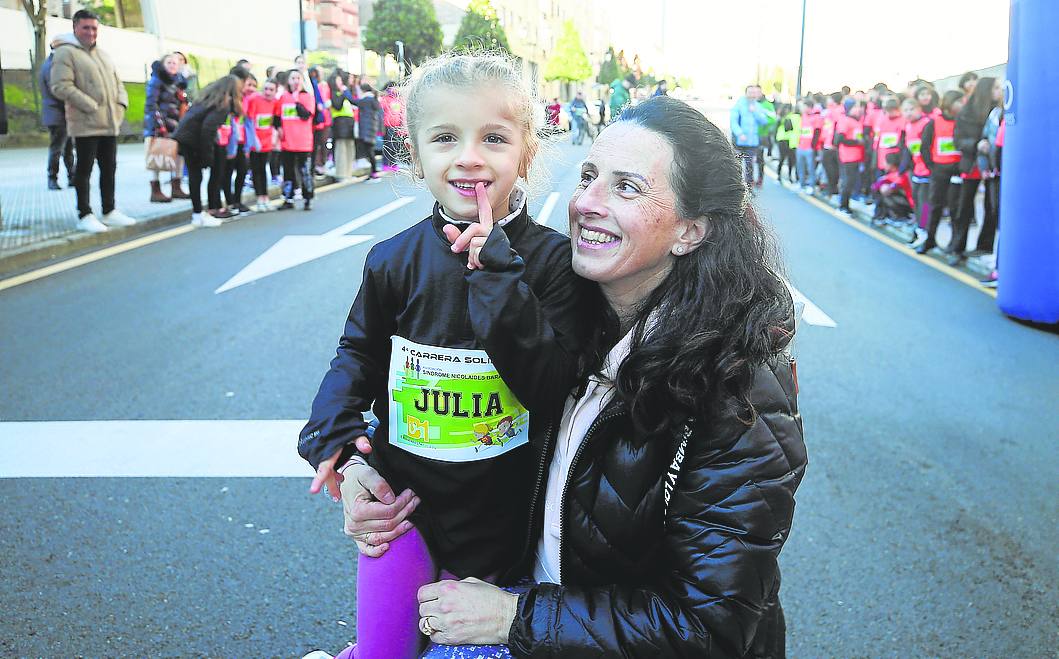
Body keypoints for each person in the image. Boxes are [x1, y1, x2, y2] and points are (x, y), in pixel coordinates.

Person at [338, 95, 805, 658]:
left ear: (691, 231)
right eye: (588, 176)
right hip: (512, 595)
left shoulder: (740, 390)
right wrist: (366, 472)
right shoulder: (552, 306)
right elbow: (439, 403)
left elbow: (707, 627)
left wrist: (514, 615)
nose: (586, 203)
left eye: (626, 187)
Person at [298, 51, 583, 659]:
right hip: (406, 511)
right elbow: (355, 359)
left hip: (505, 526)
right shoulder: (391, 261)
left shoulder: (556, 263)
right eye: (446, 137)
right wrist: (340, 448)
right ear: (416, 153)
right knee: (384, 652)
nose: (469, 156)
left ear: (525, 151)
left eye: (494, 138)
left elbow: (553, 383)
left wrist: (500, 277)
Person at [49, 9, 134, 234]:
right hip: (85, 123)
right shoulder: (65, 53)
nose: (90, 32)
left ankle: (109, 210)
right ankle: (84, 214)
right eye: (85, 27)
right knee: (84, 170)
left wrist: (121, 106)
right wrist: (90, 105)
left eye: (94, 28)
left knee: (109, 168)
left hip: (109, 123)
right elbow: (60, 86)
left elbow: (119, 84)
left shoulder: (104, 55)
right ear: (75, 27)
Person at [172, 75, 242, 228]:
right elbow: (208, 129)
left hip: (185, 137)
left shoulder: (206, 99)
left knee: (194, 176)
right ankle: (197, 216)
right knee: (196, 176)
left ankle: (197, 214)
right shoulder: (223, 104)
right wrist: (207, 156)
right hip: (193, 140)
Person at [947, 77, 997, 266]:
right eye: (996, 88)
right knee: (964, 208)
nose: (999, 91)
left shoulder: (999, 110)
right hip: (971, 165)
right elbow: (958, 140)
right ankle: (957, 248)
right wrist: (977, 144)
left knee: (991, 208)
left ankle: (984, 246)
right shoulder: (966, 111)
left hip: (992, 166)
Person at [915, 90, 964, 255]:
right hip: (939, 172)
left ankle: (954, 245)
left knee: (955, 209)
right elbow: (924, 147)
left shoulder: (962, 121)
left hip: (957, 173)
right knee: (935, 207)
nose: (962, 105)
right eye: (959, 102)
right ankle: (929, 240)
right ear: (950, 103)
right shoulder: (934, 123)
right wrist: (932, 167)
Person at [143, 53, 191, 203]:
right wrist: (159, 125)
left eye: (175, 63)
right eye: (169, 62)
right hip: (159, 126)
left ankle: (176, 187)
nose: (172, 65)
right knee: (157, 156)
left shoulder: (180, 83)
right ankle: (155, 190)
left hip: (176, 126)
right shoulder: (157, 80)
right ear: (163, 64)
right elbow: (151, 104)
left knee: (178, 156)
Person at [972, 79, 1004, 258]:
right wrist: (984, 166)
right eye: (997, 87)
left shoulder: (1007, 115)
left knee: (999, 212)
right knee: (991, 210)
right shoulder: (993, 114)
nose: (999, 91)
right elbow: (984, 140)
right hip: (989, 172)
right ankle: (988, 250)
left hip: (1001, 172)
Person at [277, 68, 316, 210]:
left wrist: (296, 99)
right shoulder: (282, 97)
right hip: (287, 142)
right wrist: (279, 129)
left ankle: (308, 198)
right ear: (288, 81)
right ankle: (288, 198)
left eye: (298, 78)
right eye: (292, 78)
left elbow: (306, 115)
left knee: (304, 171)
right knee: (287, 171)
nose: (295, 81)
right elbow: (277, 116)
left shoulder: (307, 97)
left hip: (303, 142)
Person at [39, 48, 74, 191]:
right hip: (57, 114)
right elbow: (57, 90)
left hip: (57, 114)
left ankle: (71, 177)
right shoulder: (52, 66)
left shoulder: (48, 64)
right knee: (58, 149)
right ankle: (53, 179)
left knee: (66, 148)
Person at [245, 77, 280, 212]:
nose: (268, 92)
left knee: (263, 169)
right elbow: (250, 120)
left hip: (267, 141)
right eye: (265, 89)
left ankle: (265, 197)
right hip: (256, 141)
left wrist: (274, 137)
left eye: (271, 89)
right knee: (256, 169)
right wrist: (254, 140)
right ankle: (260, 198)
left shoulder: (275, 103)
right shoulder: (255, 99)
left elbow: (274, 121)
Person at [900, 98, 932, 242]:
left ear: (919, 109)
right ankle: (919, 228)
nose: (908, 113)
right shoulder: (908, 126)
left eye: (911, 109)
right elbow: (909, 149)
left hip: (928, 170)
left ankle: (924, 230)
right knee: (917, 201)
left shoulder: (926, 124)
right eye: (905, 110)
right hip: (917, 170)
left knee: (925, 203)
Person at [870, 97, 905, 223]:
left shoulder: (903, 121)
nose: (890, 114)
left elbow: (902, 144)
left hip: (895, 164)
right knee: (879, 188)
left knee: (893, 191)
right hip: (882, 162)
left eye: (892, 111)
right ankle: (879, 214)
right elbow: (878, 142)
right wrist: (876, 161)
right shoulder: (883, 121)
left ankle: (896, 215)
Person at [730, 84, 771, 189]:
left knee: (750, 164)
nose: (753, 95)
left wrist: (755, 112)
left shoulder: (758, 106)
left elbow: (764, 121)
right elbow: (733, 122)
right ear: (746, 93)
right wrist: (740, 133)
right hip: (739, 141)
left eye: (754, 93)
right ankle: (737, 185)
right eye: (750, 92)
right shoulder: (739, 105)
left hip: (752, 142)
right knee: (737, 164)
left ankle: (749, 186)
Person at [835, 99, 866, 214]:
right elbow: (840, 139)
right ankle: (843, 206)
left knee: (851, 182)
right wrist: (857, 142)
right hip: (847, 157)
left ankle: (846, 204)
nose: (859, 109)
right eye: (856, 107)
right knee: (847, 182)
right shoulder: (845, 121)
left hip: (856, 157)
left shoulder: (856, 121)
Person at [330, 72, 358, 180]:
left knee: (350, 148)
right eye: (338, 81)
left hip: (348, 123)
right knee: (341, 149)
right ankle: (341, 174)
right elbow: (337, 106)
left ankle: (348, 173)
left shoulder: (345, 93)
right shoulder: (334, 93)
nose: (340, 83)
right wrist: (342, 94)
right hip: (340, 123)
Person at [353, 82, 383, 180]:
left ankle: (374, 172)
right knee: (370, 150)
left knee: (369, 151)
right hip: (372, 128)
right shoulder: (373, 99)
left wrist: (344, 92)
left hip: (366, 129)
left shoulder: (365, 100)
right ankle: (373, 171)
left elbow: (354, 101)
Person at [873, 152, 914, 223]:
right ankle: (883, 215)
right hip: (911, 203)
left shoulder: (901, 175)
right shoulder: (892, 174)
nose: (884, 164)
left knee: (885, 194)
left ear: (891, 165)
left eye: (885, 162)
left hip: (912, 205)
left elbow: (891, 187)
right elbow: (875, 186)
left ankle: (902, 216)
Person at [820, 92, 843, 200]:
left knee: (830, 167)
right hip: (827, 142)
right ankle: (832, 187)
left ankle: (832, 187)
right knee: (830, 167)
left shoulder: (837, 111)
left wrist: (834, 143)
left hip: (831, 145)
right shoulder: (831, 110)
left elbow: (836, 128)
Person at [380, 80, 405, 172]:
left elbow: (401, 113)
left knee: (395, 145)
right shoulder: (384, 99)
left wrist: (402, 127)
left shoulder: (398, 100)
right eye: (394, 87)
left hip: (397, 126)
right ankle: (386, 164)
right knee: (388, 145)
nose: (396, 89)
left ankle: (393, 164)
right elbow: (381, 113)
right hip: (387, 126)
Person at [794, 99, 818, 192]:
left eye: (803, 106)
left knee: (810, 167)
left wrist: (813, 146)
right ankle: (801, 183)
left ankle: (811, 186)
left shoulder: (815, 117)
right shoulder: (802, 116)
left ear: (808, 107)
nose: (801, 108)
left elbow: (817, 132)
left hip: (809, 147)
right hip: (800, 146)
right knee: (800, 166)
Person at [775, 102, 799, 184]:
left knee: (789, 159)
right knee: (783, 158)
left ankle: (788, 176)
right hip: (784, 140)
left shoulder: (792, 117)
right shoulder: (782, 118)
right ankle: (779, 175)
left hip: (790, 141)